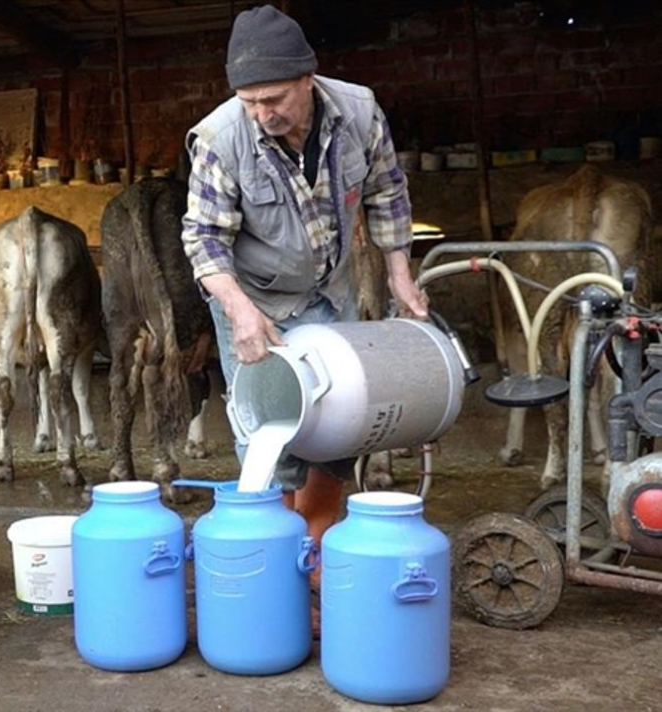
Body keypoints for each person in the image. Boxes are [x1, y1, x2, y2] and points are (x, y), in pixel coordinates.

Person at [181, 5, 429, 617]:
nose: (262, 113)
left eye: (273, 98)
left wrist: (400, 276)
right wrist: (237, 310)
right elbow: (204, 239)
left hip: (330, 288)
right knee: (268, 424)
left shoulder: (360, 112)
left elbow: (387, 190)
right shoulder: (220, 138)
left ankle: (316, 546)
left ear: (308, 80)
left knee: (339, 415)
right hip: (253, 297)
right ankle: (272, 564)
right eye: (249, 101)